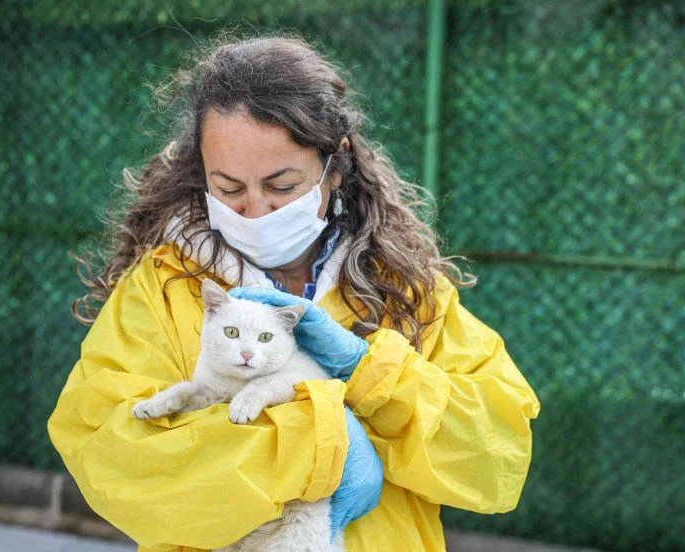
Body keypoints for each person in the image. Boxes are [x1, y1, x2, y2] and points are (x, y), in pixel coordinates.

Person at [48, 33, 541, 552]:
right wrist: (323, 438)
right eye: (229, 187)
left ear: (336, 169)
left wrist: (369, 375)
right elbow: (111, 457)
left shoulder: (404, 289)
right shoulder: (162, 288)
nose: (256, 210)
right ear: (200, 173)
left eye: (282, 186)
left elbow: (496, 457)